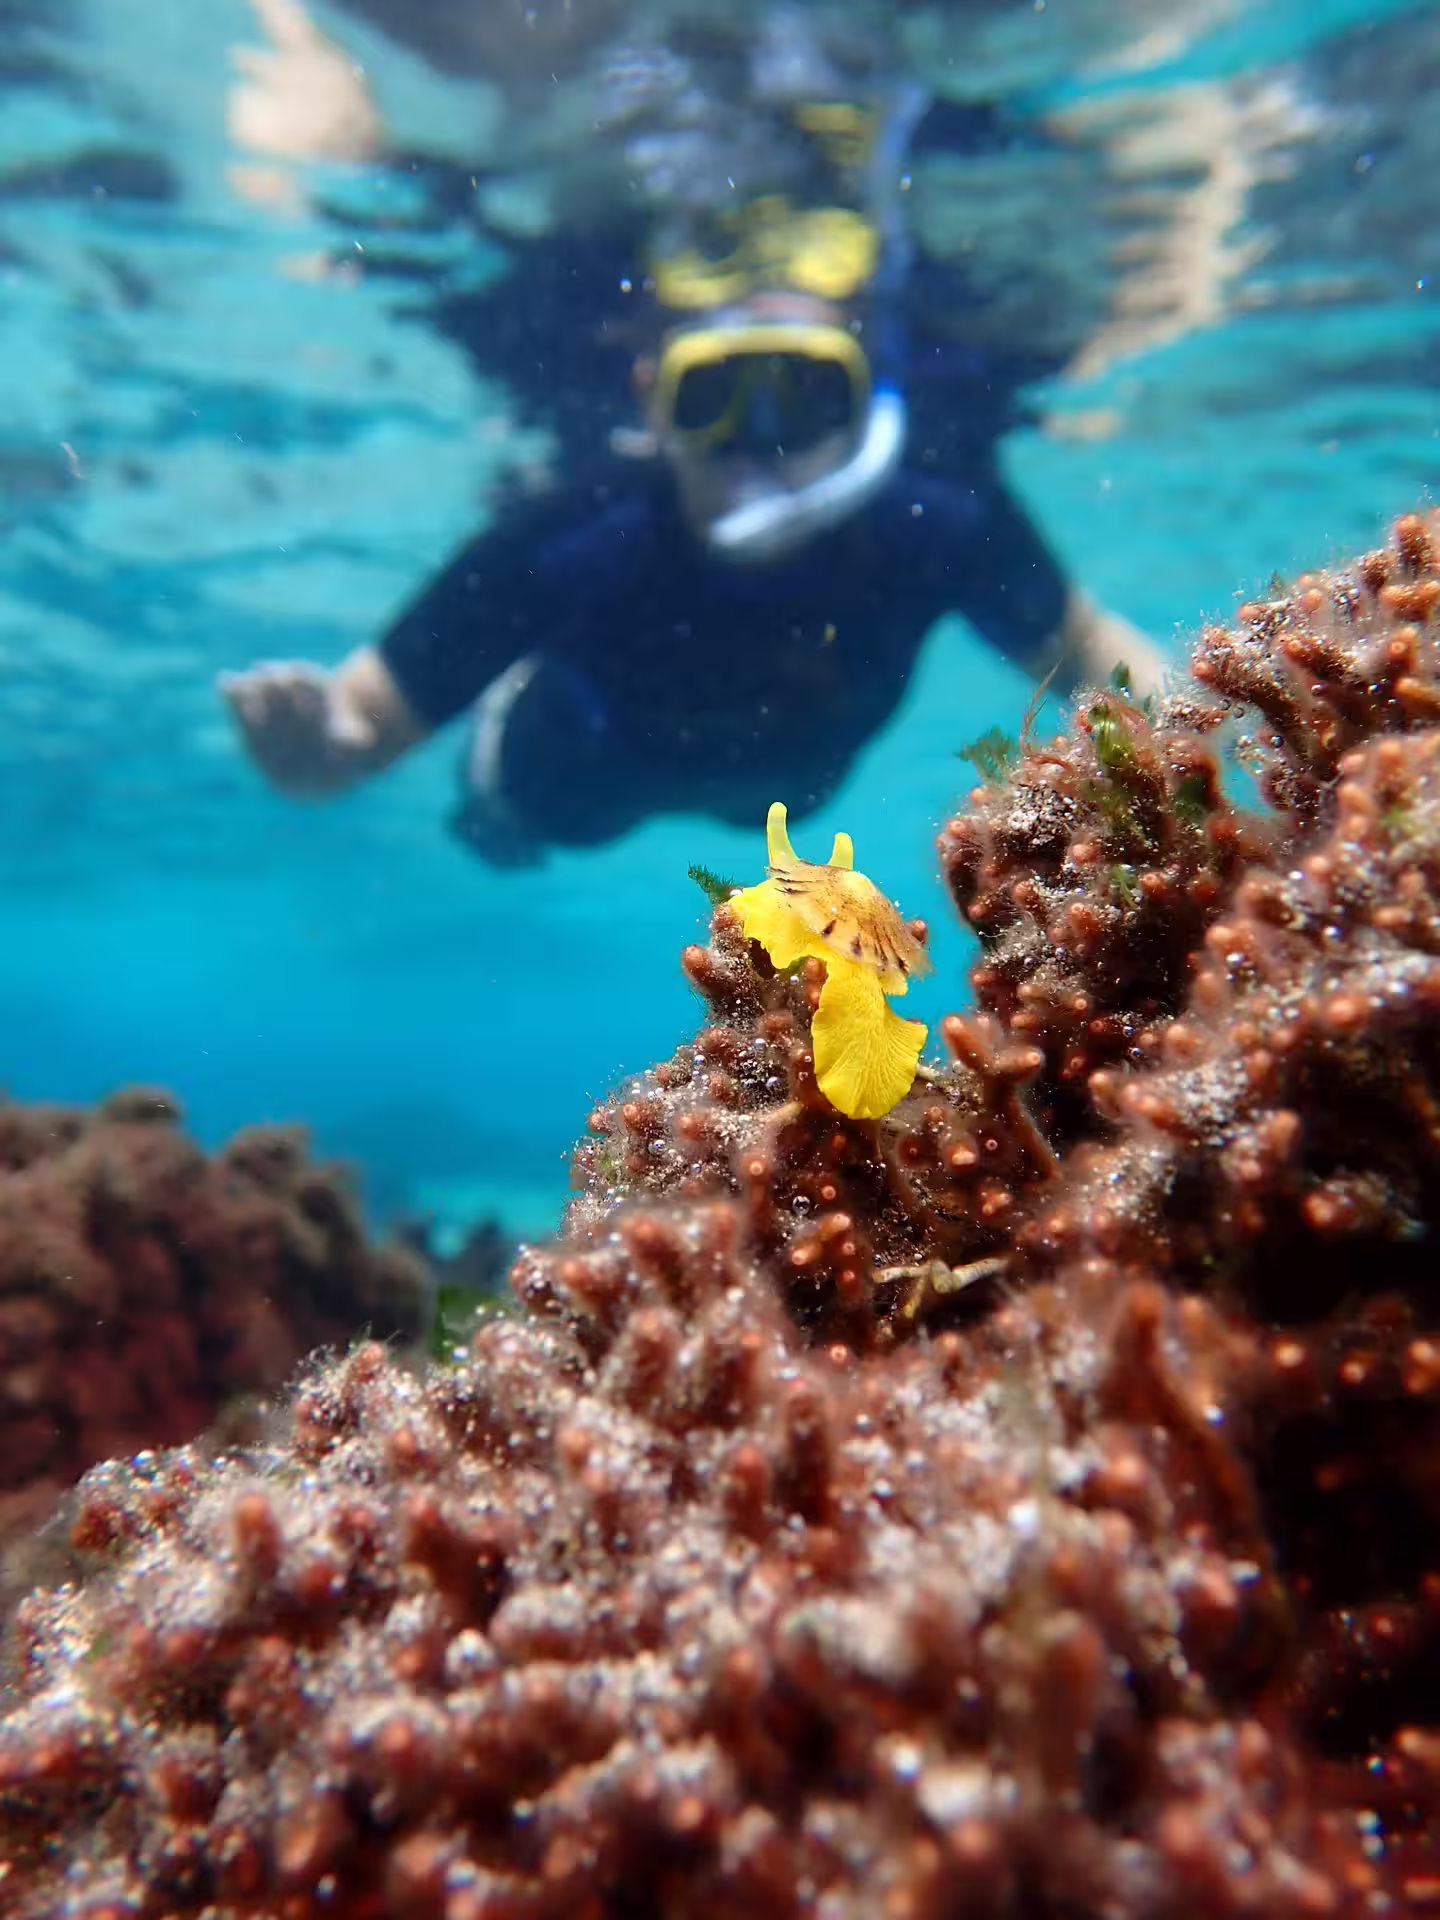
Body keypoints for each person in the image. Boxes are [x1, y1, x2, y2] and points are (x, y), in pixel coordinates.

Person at [222, 16, 1158, 865]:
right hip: (572, 781)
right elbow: (353, 732)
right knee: (524, 819)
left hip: (782, 791)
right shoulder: (573, 538)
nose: (759, 446)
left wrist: (1195, 740)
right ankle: (495, 778)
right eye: (715, 398)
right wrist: (316, 752)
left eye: (802, 398)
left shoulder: (935, 515)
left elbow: (1092, 659)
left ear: (869, 392)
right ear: (652, 402)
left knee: (773, 811)